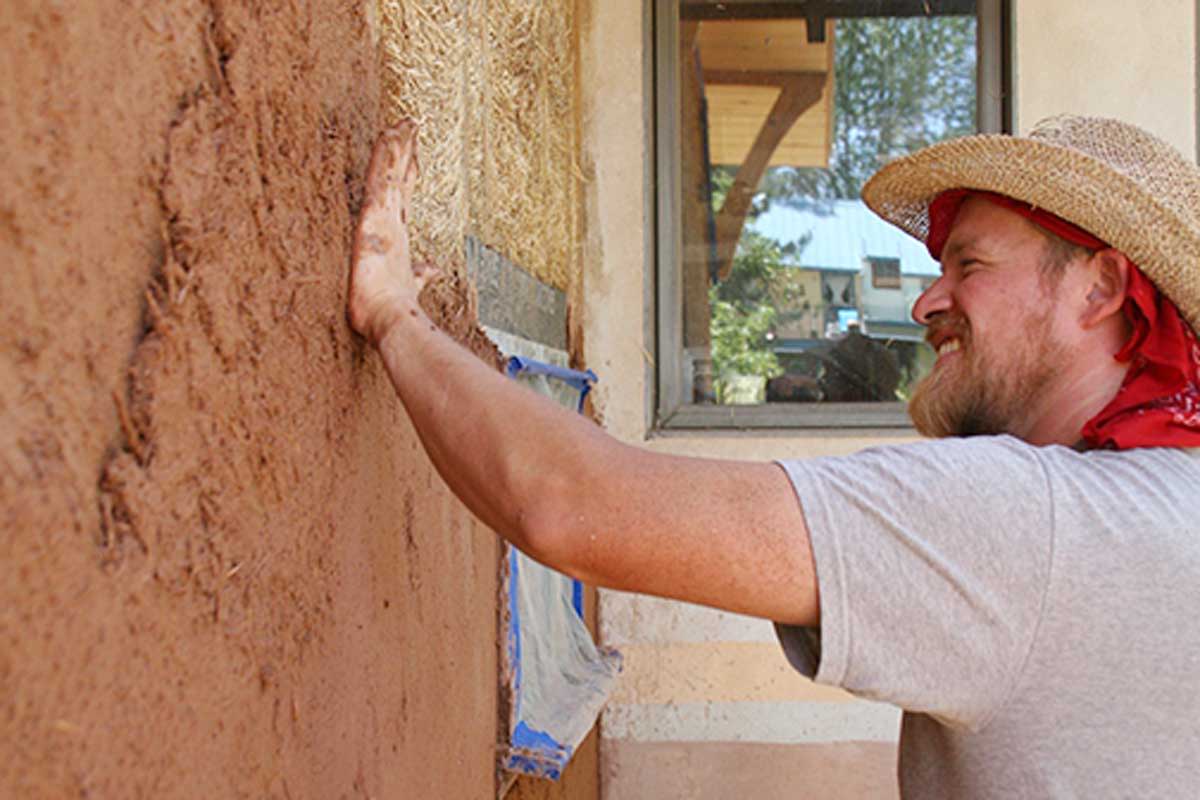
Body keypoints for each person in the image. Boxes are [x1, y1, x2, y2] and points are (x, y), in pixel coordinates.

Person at [347, 115, 1200, 797]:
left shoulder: (1033, 527)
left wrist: (393, 314)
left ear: (1100, 290)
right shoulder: (1170, 507)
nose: (930, 300)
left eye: (968, 265)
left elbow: (569, 501)